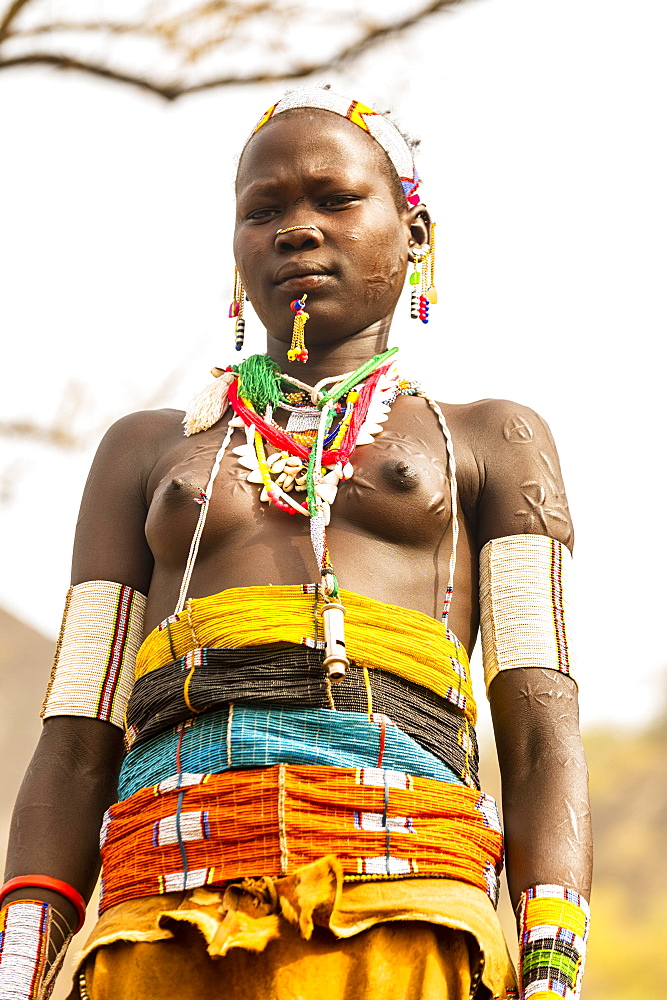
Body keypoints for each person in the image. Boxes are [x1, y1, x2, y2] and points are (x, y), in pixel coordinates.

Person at [0, 88, 591, 1000]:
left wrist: (550, 955)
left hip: (410, 909)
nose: (295, 230)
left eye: (335, 200)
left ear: (413, 232)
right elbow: (78, 733)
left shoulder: (489, 440)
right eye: (262, 210)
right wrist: (21, 964)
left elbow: (540, 721)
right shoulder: (148, 450)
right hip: (163, 907)